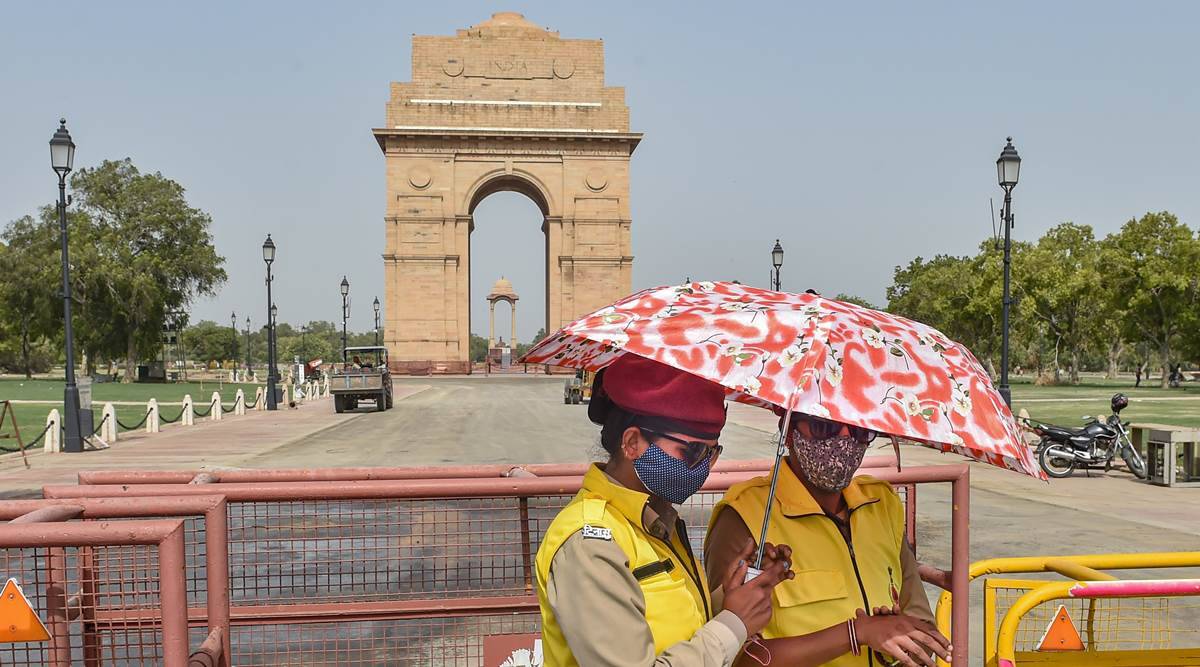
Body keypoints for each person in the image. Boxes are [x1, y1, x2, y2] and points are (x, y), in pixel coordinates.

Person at [536, 354, 794, 666]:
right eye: (693, 451)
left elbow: (683, 628)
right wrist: (733, 625)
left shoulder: (656, 521)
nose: (704, 468)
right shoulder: (591, 543)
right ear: (632, 442)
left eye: (713, 453)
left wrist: (731, 593)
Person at [704, 411, 951, 667]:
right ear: (788, 432)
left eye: (859, 431)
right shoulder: (745, 516)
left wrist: (891, 638)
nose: (844, 442)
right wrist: (857, 633)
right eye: (824, 427)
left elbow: (924, 628)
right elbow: (732, 657)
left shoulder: (882, 505)